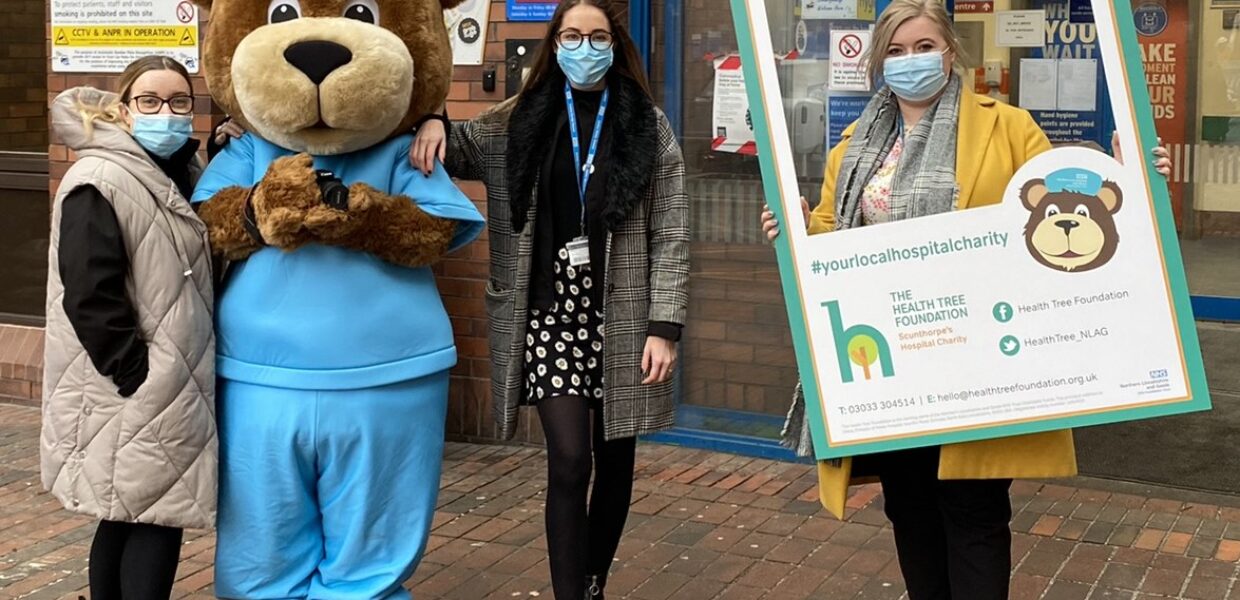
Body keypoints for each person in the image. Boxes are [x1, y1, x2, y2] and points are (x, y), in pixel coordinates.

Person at [760, 2, 1172, 599]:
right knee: (909, 506)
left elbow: (1059, 225)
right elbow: (830, 234)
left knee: (975, 510)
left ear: (950, 50)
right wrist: (796, 231)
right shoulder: (854, 146)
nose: (911, 62)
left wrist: (1131, 181)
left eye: (924, 46)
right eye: (896, 52)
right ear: (879, 62)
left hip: (979, 360)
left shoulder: (1009, 127)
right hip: (892, 367)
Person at [410, 1, 689, 597]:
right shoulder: (519, 119)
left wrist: (664, 325)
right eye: (570, 36)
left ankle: (592, 579)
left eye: (596, 36)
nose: (583, 48)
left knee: (615, 463)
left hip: (624, 313)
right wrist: (431, 116)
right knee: (570, 460)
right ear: (553, 44)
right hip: (548, 311)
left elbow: (671, 230)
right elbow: (454, 150)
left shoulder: (648, 124)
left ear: (615, 44)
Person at [40, 56, 216, 600]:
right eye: (151, 101)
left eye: (180, 102)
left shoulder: (173, 173)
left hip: (159, 381)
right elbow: (90, 292)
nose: (167, 113)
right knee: (153, 519)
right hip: (136, 384)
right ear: (123, 109)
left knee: (127, 513)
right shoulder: (99, 177)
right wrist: (135, 374)